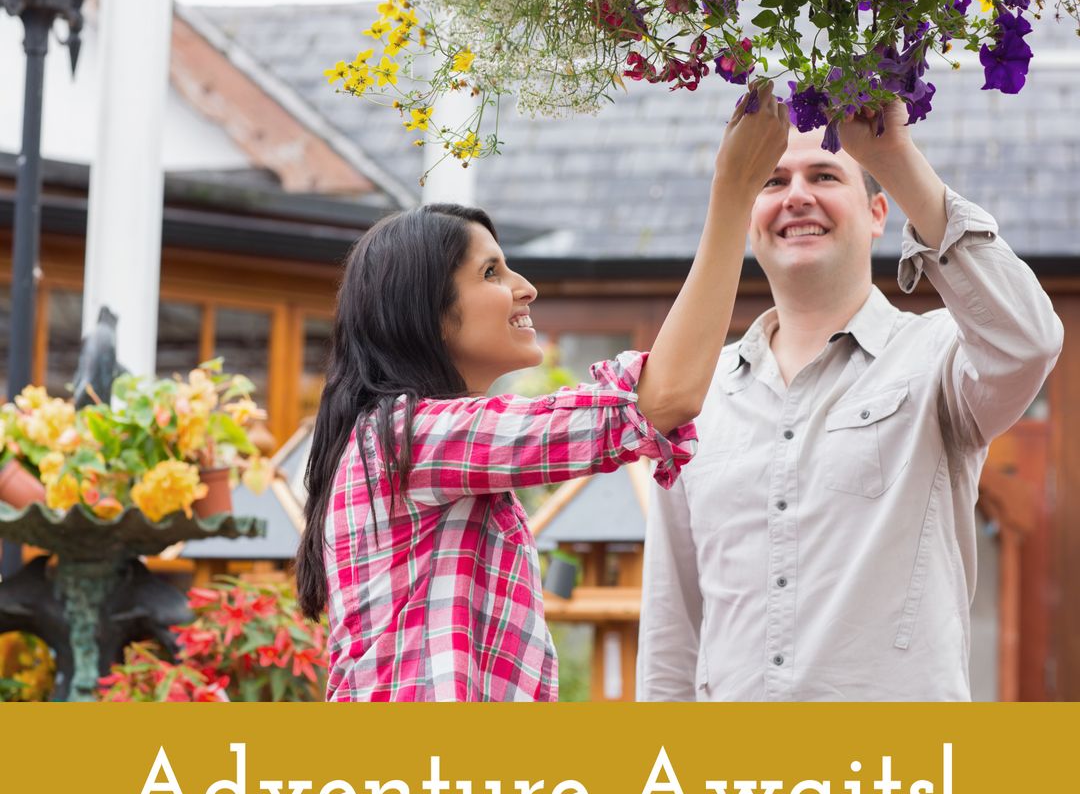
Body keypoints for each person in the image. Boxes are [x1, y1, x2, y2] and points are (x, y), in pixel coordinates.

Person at [295, 82, 792, 701]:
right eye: (491, 272)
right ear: (423, 310)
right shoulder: (408, 437)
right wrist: (733, 194)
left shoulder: (414, 444)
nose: (525, 287)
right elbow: (660, 402)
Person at [637, 100, 1064, 702]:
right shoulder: (696, 395)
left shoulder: (938, 356)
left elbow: (1030, 341)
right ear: (749, 216)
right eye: (773, 181)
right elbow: (670, 621)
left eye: (825, 175)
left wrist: (892, 158)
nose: (797, 196)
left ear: (877, 212)